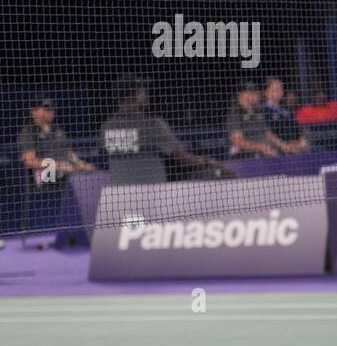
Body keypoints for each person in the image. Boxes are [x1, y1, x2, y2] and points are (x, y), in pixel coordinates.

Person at [101, 78, 232, 183]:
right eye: (142, 92)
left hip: (120, 194)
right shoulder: (152, 124)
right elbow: (184, 160)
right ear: (133, 96)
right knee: (222, 174)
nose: (145, 95)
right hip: (154, 193)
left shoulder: (105, 127)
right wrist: (209, 162)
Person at [18, 97, 94, 239]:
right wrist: (57, 165)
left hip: (65, 171)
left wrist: (81, 164)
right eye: (46, 109)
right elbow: (30, 162)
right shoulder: (28, 132)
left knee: (90, 176)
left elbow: (69, 153)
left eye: (51, 109)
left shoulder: (57, 129)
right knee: (73, 176)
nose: (50, 112)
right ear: (33, 111)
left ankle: (89, 226)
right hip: (41, 176)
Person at [228, 81, 290, 158]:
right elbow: (238, 141)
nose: (255, 95)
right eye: (249, 93)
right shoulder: (236, 113)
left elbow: (268, 134)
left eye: (255, 93)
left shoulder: (257, 111)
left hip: (265, 150)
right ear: (241, 95)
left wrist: (282, 145)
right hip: (244, 155)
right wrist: (260, 147)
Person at [263, 77, 309, 153]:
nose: (280, 92)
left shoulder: (287, 109)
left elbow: (297, 129)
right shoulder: (263, 110)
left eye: (281, 89)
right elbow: (267, 133)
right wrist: (283, 145)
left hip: (295, 146)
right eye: (276, 89)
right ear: (266, 92)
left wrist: (302, 142)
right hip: (278, 149)